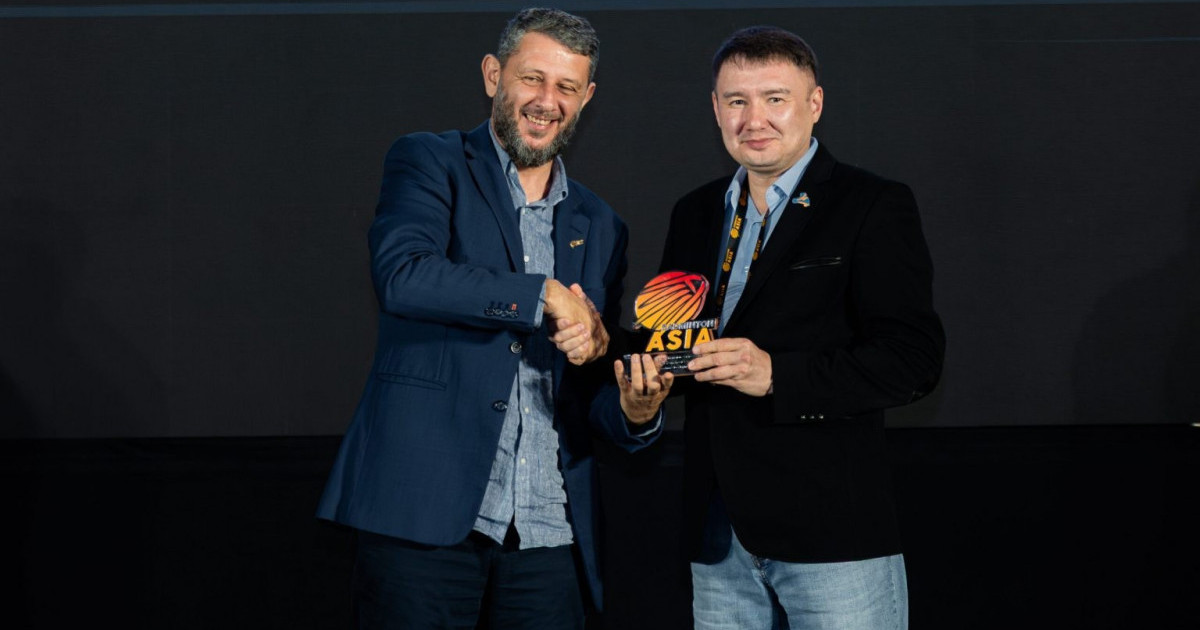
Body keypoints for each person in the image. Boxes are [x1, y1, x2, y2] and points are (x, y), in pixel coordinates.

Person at [316, 8, 661, 628]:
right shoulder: (430, 160)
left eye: (567, 87)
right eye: (532, 78)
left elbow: (587, 382)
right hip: (423, 518)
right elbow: (404, 275)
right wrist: (542, 294)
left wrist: (635, 411)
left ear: (587, 98)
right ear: (493, 75)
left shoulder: (601, 224)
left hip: (547, 532)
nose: (547, 102)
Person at [622, 26, 945, 629]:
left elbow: (913, 360)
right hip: (717, 532)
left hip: (831, 530)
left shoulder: (871, 203)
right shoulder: (695, 213)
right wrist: (636, 382)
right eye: (736, 101)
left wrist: (777, 375)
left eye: (775, 98)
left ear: (814, 104)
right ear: (715, 108)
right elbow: (678, 345)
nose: (755, 119)